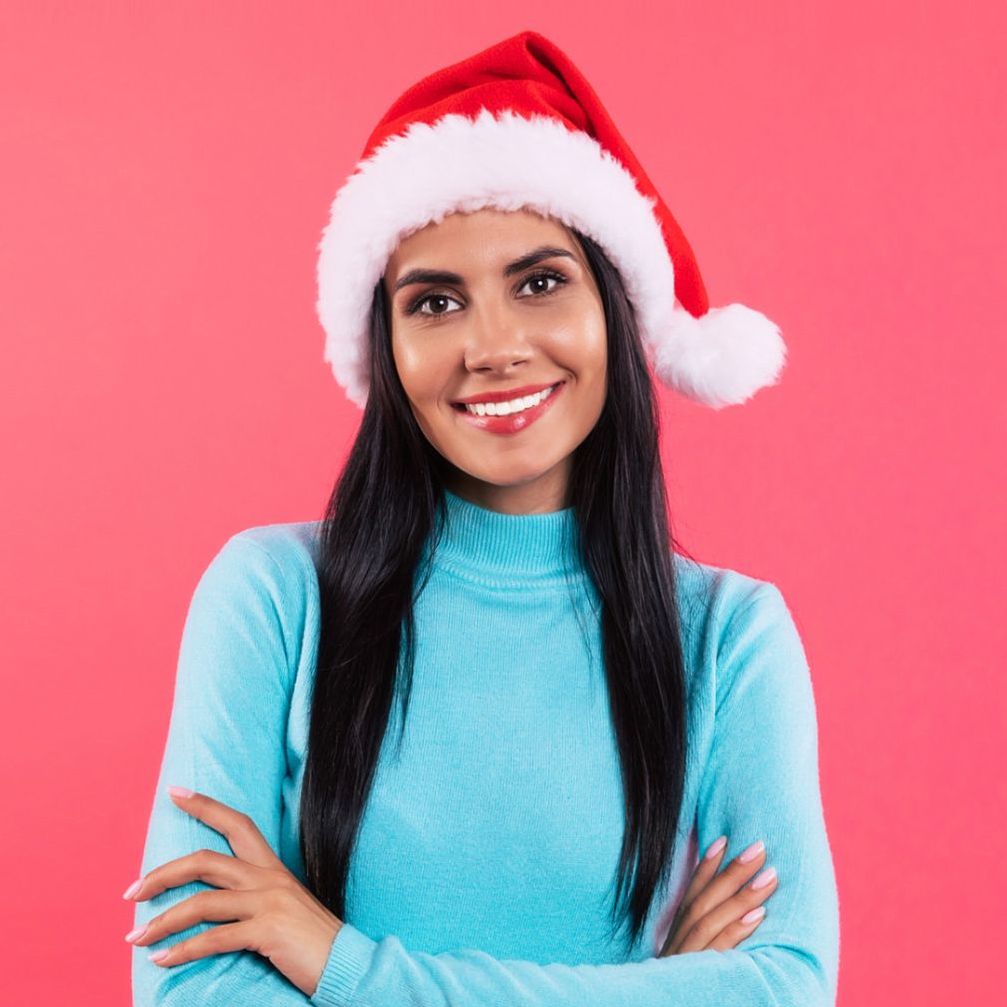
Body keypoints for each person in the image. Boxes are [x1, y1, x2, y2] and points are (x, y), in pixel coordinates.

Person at [128, 29, 839, 1007]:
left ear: (614, 310)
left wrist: (339, 962)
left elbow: (783, 986)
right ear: (386, 346)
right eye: (433, 302)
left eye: (539, 282)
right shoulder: (270, 599)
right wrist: (652, 988)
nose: (491, 346)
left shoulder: (726, 638)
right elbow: (192, 986)